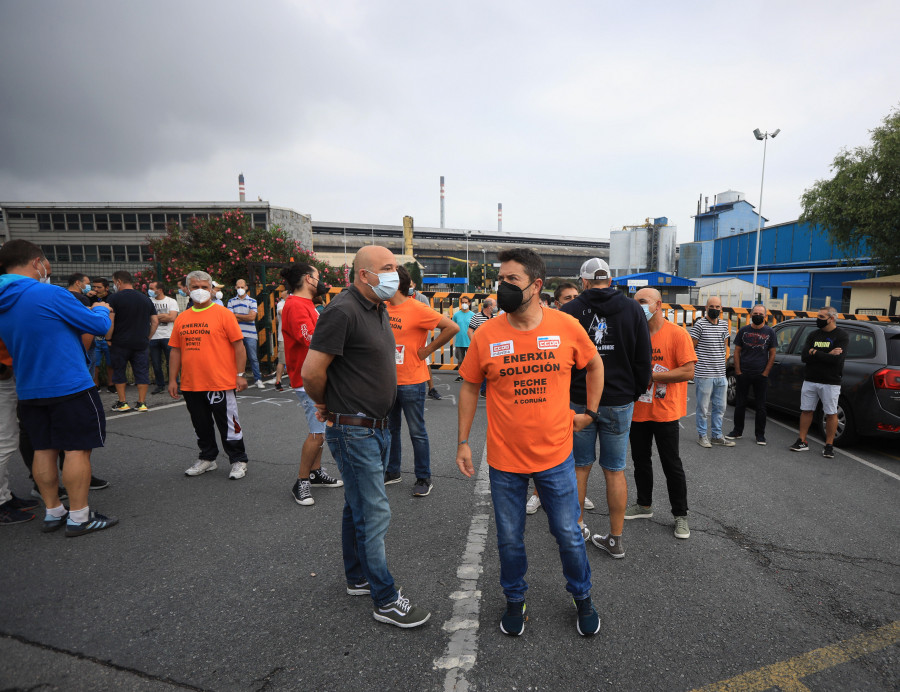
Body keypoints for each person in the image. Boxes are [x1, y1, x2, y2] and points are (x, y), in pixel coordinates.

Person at [457, 247, 603, 637]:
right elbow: (471, 385)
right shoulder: (487, 333)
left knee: (569, 535)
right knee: (509, 539)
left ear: (536, 286)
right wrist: (462, 441)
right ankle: (515, 599)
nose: (502, 286)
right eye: (500, 279)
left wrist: (590, 411)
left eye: (511, 280)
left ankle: (582, 595)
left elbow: (595, 363)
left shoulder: (566, 327)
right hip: (504, 461)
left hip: (555, 456)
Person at [302, 245, 430, 629]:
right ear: (364, 275)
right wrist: (326, 404)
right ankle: (385, 598)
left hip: (373, 427)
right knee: (374, 512)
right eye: (388, 268)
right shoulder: (343, 311)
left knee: (356, 506)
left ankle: (357, 577)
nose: (396, 274)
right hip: (353, 429)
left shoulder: (376, 308)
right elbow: (311, 372)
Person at [0, 239, 118, 537]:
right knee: (77, 448)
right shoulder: (49, 293)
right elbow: (98, 326)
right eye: (45, 262)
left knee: (43, 448)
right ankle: (79, 517)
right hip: (68, 383)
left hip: (28, 386)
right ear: (36, 262)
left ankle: (54, 511)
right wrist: (102, 309)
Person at [561, 258, 652, 558]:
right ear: (610, 281)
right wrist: (634, 391)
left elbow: (560, 361)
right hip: (619, 400)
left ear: (584, 282)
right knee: (615, 470)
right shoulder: (633, 308)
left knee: (579, 467)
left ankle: (576, 529)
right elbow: (643, 358)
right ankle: (616, 538)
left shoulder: (571, 311)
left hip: (580, 400)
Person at [627, 288, 696, 540]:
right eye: (635, 303)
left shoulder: (677, 334)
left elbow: (688, 372)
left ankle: (680, 515)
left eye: (643, 302)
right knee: (640, 461)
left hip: (666, 412)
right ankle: (644, 505)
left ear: (658, 305)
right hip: (638, 411)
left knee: (671, 464)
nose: (639, 307)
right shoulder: (634, 334)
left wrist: (652, 376)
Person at [168, 271, 251, 480]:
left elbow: (239, 346)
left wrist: (240, 374)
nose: (200, 291)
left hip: (220, 382)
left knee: (229, 424)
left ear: (212, 290)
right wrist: (172, 379)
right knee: (200, 424)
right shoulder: (182, 318)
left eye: (205, 287)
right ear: (187, 289)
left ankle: (238, 459)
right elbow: (176, 350)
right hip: (191, 383)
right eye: (195, 287)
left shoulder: (224, 314)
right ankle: (207, 458)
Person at [385, 266, 459, 495]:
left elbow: (451, 327)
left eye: (386, 279)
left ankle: (423, 477)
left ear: (397, 284)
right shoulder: (380, 307)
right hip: (387, 381)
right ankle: (392, 471)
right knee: (390, 429)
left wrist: (426, 351)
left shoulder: (417, 308)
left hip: (412, 381)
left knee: (416, 431)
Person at [279, 264, 343, 506]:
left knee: (322, 430)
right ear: (308, 279)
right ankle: (301, 481)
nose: (321, 281)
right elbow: (310, 339)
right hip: (307, 378)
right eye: (318, 277)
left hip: (315, 376)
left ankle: (315, 473)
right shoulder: (295, 305)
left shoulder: (305, 304)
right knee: (317, 433)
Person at [790, 306, 849, 458]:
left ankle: (829, 445)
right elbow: (804, 356)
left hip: (830, 381)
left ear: (832, 318)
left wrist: (815, 352)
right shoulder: (813, 335)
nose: (818, 320)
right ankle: (801, 441)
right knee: (806, 410)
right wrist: (826, 354)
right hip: (810, 379)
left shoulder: (841, 336)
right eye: (818, 316)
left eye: (822, 317)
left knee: (830, 413)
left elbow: (837, 360)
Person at [0, 338, 40, 525]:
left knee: (7, 439)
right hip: (3, 374)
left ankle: (5, 496)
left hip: (8, 371)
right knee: (4, 442)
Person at [107, 271, 158, 412]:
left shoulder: (114, 298)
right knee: (142, 372)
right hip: (141, 342)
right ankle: (141, 403)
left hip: (120, 342)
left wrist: (108, 338)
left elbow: (110, 321)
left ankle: (123, 402)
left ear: (118, 282)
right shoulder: (145, 299)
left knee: (119, 371)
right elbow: (154, 321)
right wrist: (148, 336)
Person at [727, 305, 777, 445]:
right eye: (755, 313)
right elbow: (736, 351)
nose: (758, 315)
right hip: (743, 373)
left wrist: (765, 372)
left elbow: (772, 354)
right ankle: (737, 431)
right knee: (740, 404)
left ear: (765, 316)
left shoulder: (770, 332)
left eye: (760, 313)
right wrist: (738, 371)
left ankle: (760, 435)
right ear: (750, 314)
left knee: (760, 406)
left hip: (760, 375)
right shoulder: (743, 331)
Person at [689, 297, 734, 448]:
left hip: (720, 374)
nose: (715, 309)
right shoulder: (699, 325)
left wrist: (723, 363)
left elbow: (724, 345)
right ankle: (702, 436)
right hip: (704, 374)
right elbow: (691, 348)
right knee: (703, 408)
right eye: (712, 306)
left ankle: (716, 436)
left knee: (720, 408)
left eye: (718, 306)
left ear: (721, 308)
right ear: (706, 307)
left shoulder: (723, 325)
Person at [227, 278, 265, 389]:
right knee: (234, 358)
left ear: (246, 287)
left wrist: (237, 316)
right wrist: (246, 317)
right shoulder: (231, 301)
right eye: (238, 287)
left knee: (253, 358)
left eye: (242, 287)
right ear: (235, 287)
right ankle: (235, 380)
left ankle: (258, 379)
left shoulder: (252, 301)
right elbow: (230, 318)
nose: (240, 289)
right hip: (235, 333)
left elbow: (252, 317)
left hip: (250, 334)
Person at [148, 281, 179, 395]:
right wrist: (163, 316)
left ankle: (175, 384)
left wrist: (154, 317)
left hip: (168, 336)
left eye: (152, 288)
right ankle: (160, 385)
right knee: (156, 363)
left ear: (160, 290)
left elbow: (172, 317)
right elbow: (147, 317)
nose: (149, 290)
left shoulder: (171, 301)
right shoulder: (149, 301)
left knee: (171, 362)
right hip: (153, 337)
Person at [467, 298, 496, 398]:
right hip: (482, 347)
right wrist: (475, 343)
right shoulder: (477, 317)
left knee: (492, 369)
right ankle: (484, 390)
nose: (495, 308)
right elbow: (470, 331)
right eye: (494, 306)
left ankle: (489, 388)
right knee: (484, 369)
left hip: (493, 348)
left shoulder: (494, 317)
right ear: (489, 307)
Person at [90, 278, 115, 392]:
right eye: (94, 287)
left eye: (99, 287)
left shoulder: (112, 298)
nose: (96, 289)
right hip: (94, 336)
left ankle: (111, 384)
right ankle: (96, 385)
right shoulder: (90, 298)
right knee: (95, 363)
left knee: (111, 362)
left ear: (106, 288)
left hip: (109, 336)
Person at [452, 296, 473, 382]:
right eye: (462, 302)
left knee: (470, 361)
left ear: (469, 303)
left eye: (466, 302)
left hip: (470, 342)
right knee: (460, 360)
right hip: (459, 342)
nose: (464, 304)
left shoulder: (472, 315)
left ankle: (470, 375)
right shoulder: (456, 315)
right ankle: (460, 375)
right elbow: (452, 326)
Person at [273, 293, 286, 391]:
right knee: (282, 360)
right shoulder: (281, 304)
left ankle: (295, 381)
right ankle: (278, 381)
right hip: (283, 337)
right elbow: (282, 313)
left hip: (295, 336)